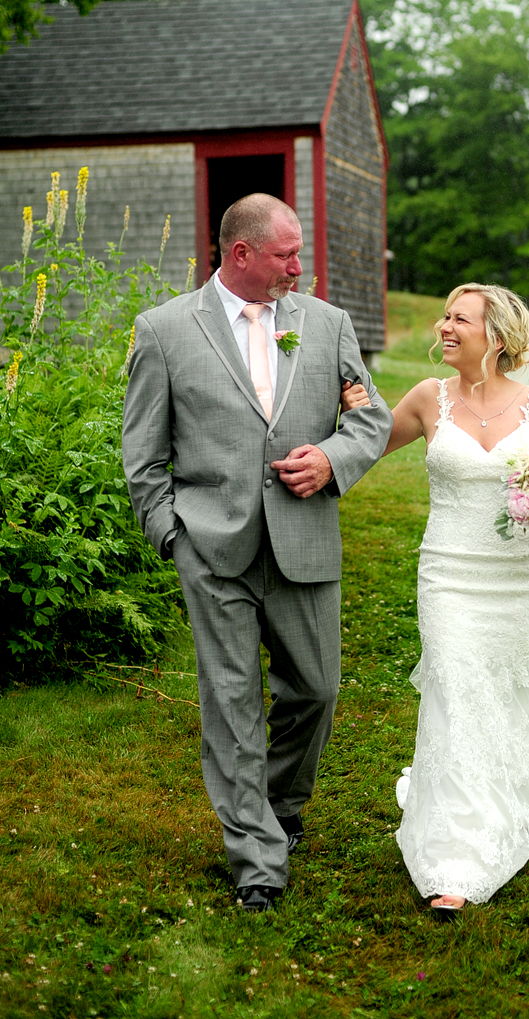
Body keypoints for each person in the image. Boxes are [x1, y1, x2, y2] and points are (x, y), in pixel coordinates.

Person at [122, 194, 393, 913]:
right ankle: (256, 858)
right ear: (240, 254)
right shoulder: (164, 331)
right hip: (212, 548)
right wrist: (171, 535)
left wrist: (334, 458)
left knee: (317, 689)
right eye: (286, 254)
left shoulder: (325, 323)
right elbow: (143, 455)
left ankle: (281, 803)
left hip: (303, 539)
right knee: (232, 700)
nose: (298, 267)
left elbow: (370, 417)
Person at [344, 283, 529, 913]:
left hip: (513, 581)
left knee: (502, 689)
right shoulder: (429, 399)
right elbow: (365, 446)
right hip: (447, 574)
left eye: (459, 319)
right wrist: (352, 407)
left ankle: (514, 792)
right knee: (455, 686)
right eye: (444, 316)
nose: (444, 326)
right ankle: (457, 854)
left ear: (496, 337)